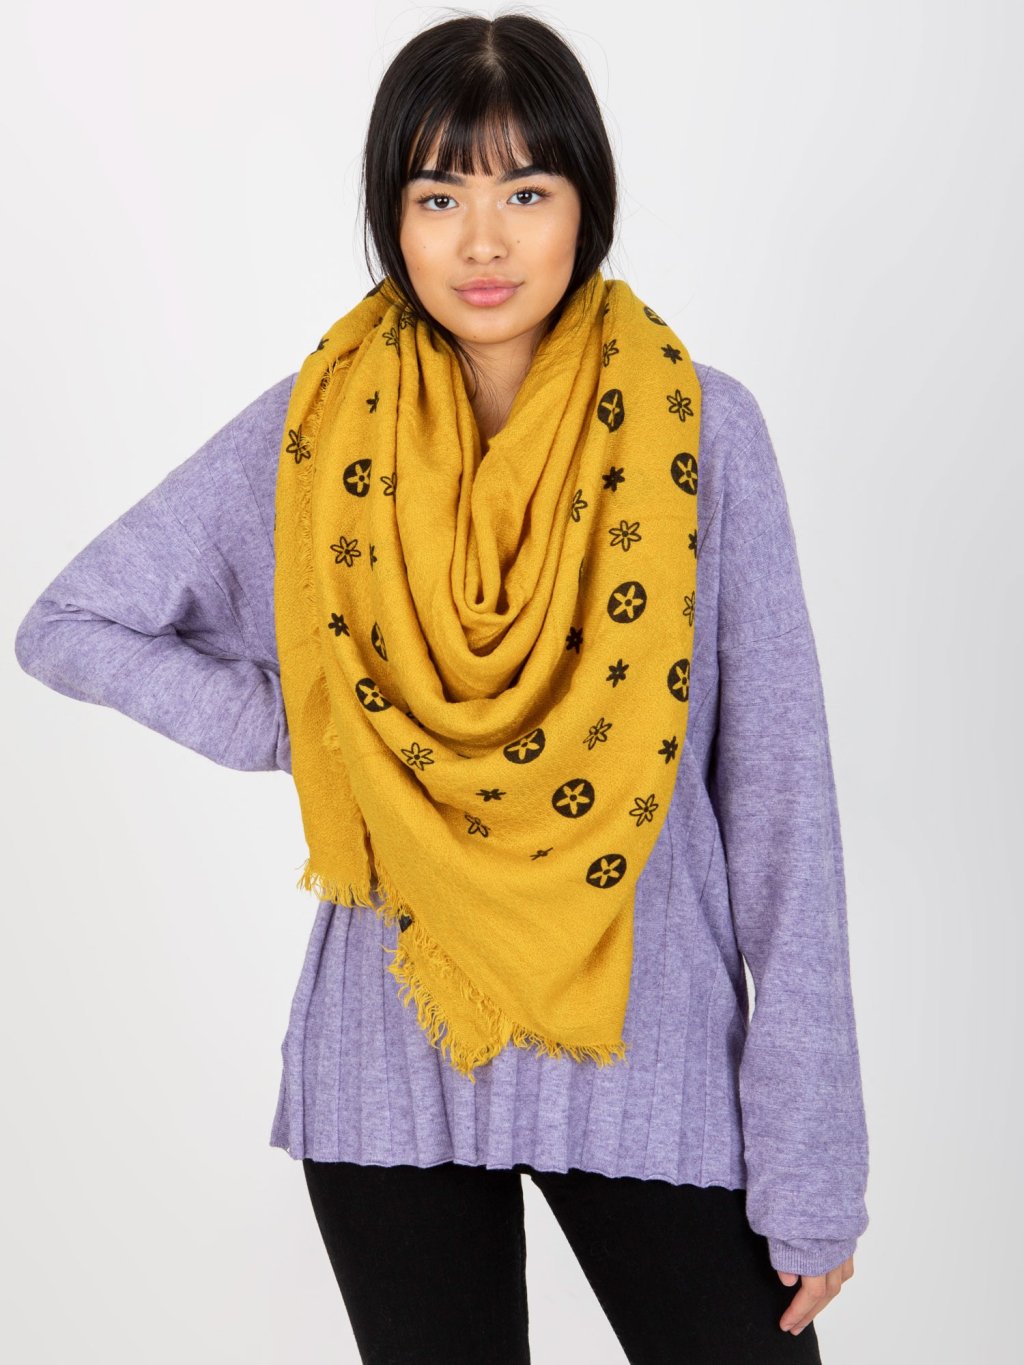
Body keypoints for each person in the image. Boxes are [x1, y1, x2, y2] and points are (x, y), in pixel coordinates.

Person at [13, 11, 869, 1364]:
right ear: (392, 219)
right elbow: (71, 620)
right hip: (390, 1064)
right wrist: (319, 732)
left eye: (526, 191)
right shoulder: (318, 426)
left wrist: (814, 1151)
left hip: (646, 1056)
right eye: (437, 196)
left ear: (586, 206)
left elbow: (782, 805)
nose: (483, 241)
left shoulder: (703, 431)